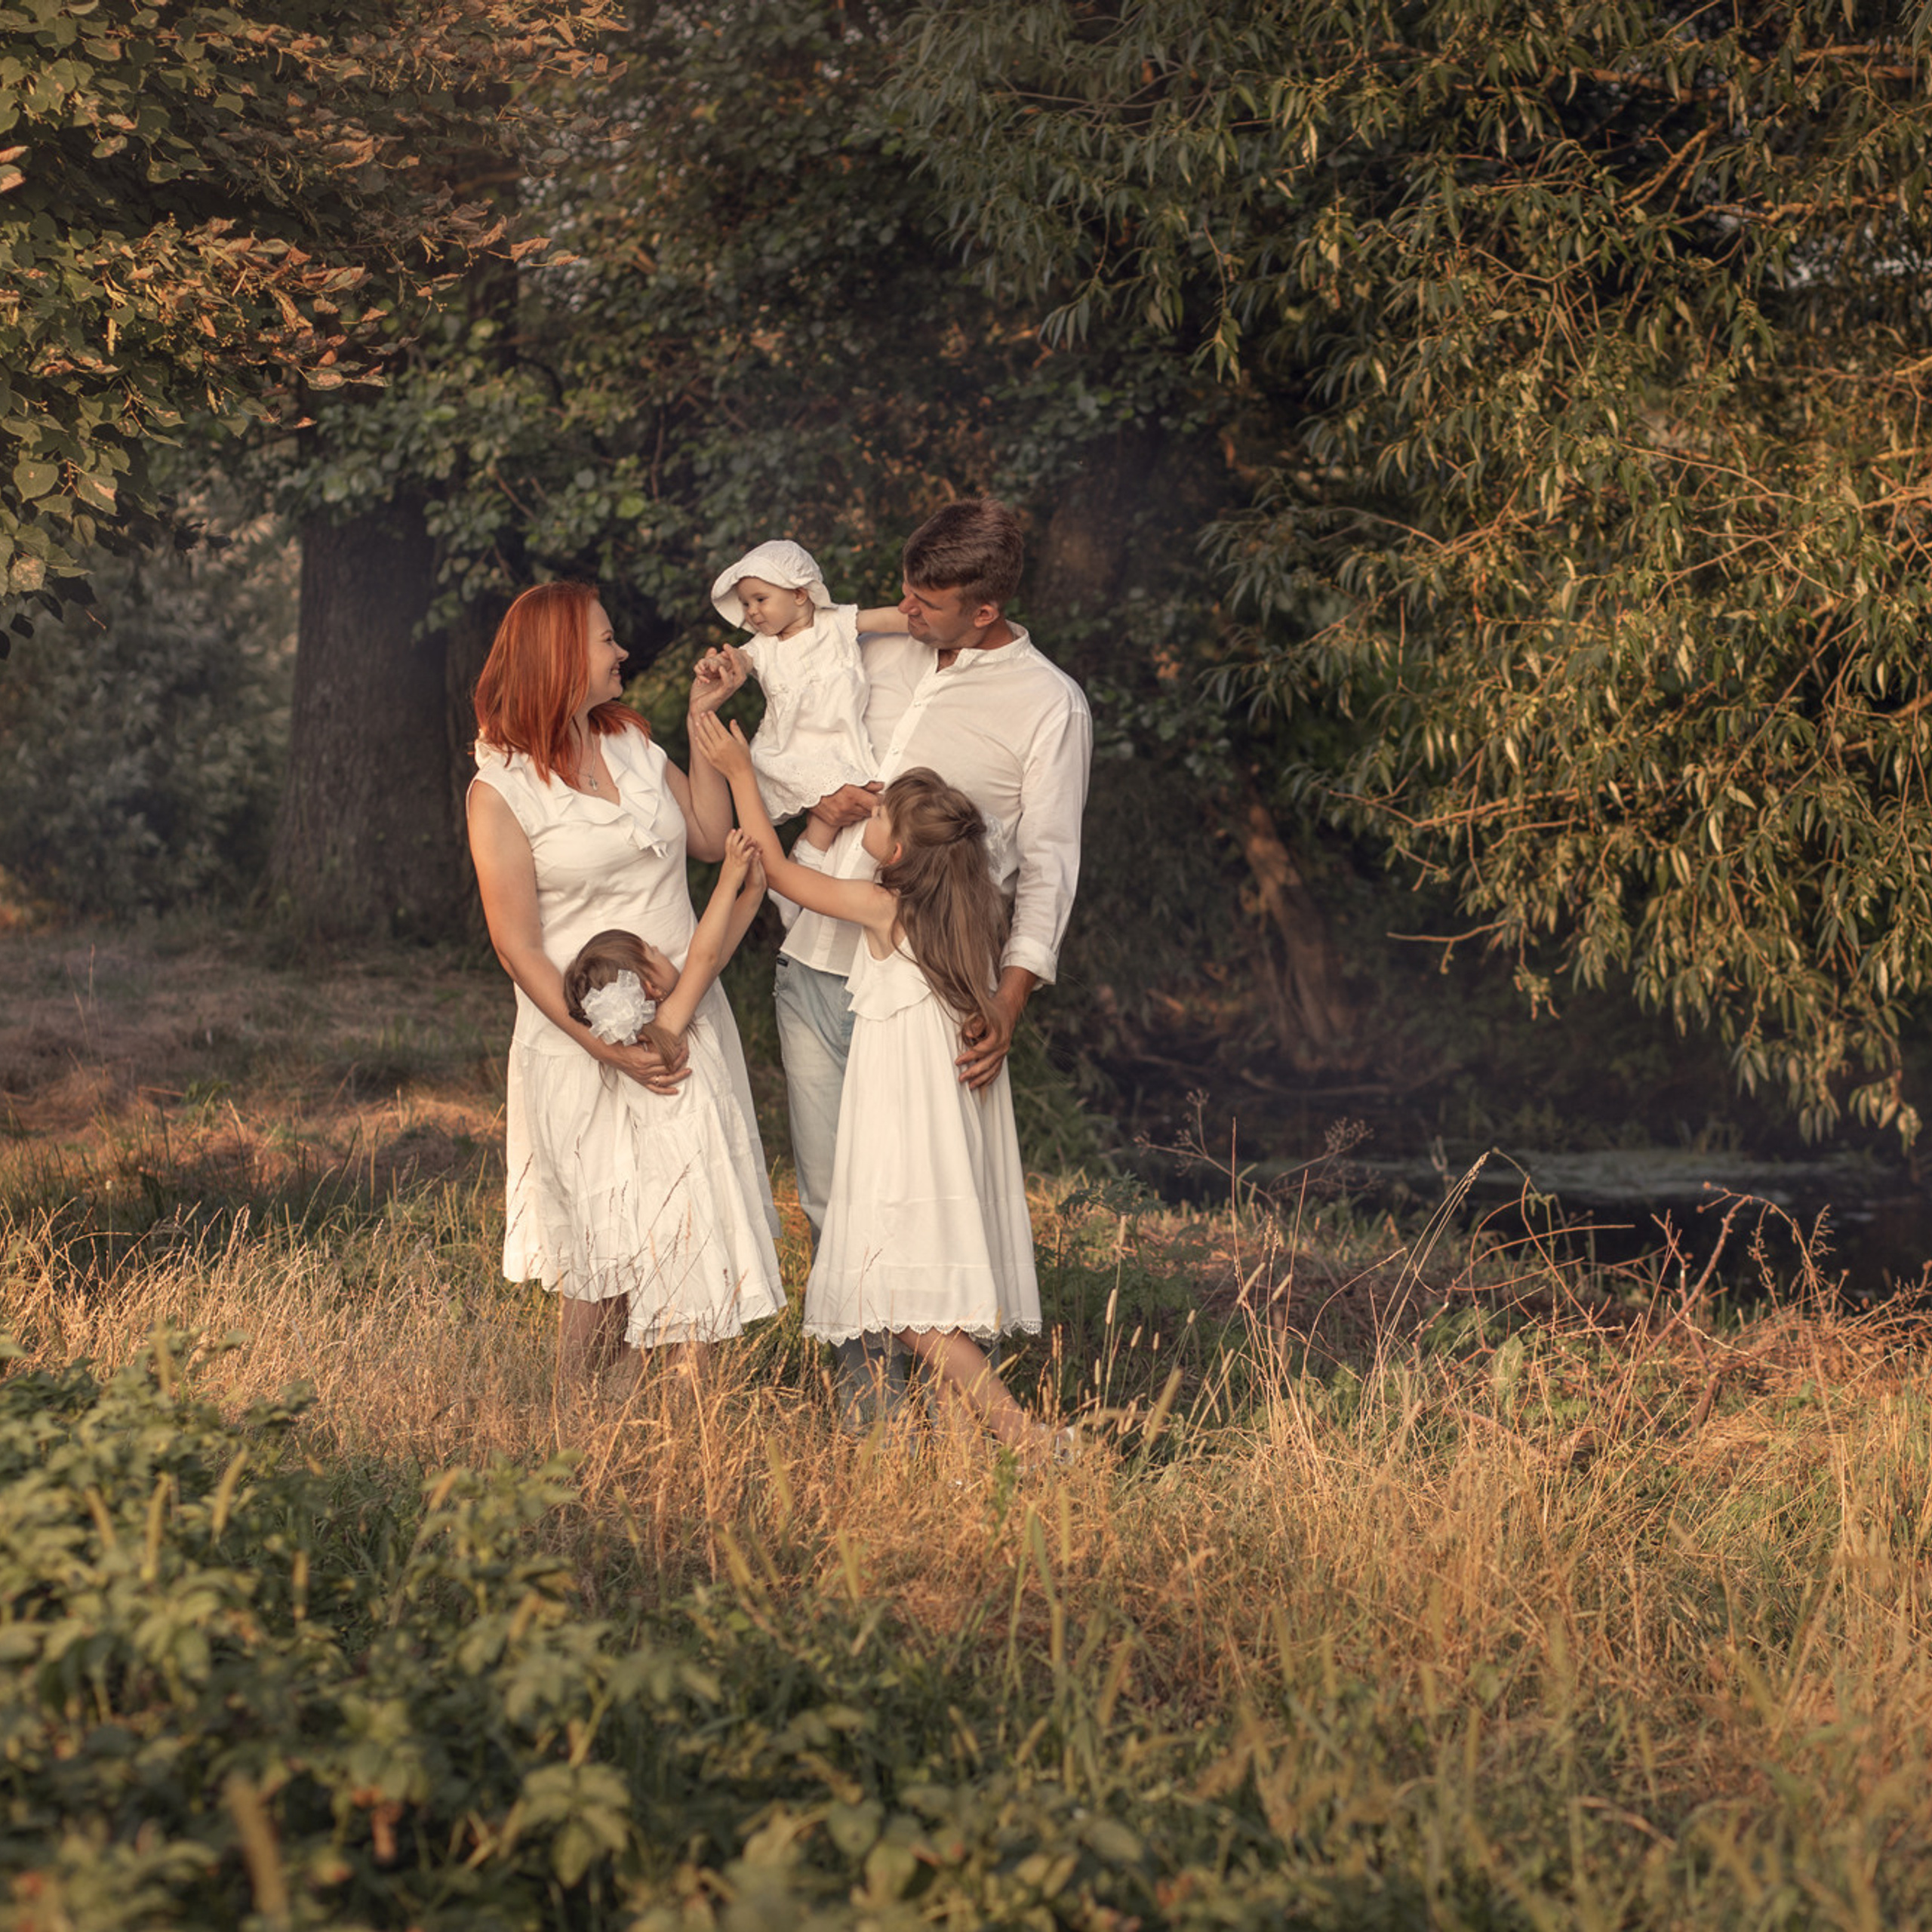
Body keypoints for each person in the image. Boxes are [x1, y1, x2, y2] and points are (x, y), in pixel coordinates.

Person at [697, 499, 1091, 1426]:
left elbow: (1048, 869)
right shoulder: (868, 650)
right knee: (837, 1207)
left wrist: (1007, 1002)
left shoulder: (1048, 705)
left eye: (924, 604)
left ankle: (965, 1435)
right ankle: (871, 1428)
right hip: (817, 965)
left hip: (927, 997)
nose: (902, 613)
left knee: (942, 1203)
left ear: (982, 611)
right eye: (905, 594)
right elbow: (796, 760)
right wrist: (810, 793)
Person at [694, 715, 1059, 1454]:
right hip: (946, 1124)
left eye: (883, 812)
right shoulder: (970, 913)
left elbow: (780, 870)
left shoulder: (886, 910)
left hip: (905, 1128)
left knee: (907, 1303)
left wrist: (739, 772)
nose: (875, 810)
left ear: (893, 853)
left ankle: (1027, 1436)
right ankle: (961, 1472)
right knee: (936, 1293)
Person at [466, 581, 783, 1381]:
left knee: (689, 1226)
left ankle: (677, 1442)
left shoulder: (633, 747)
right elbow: (517, 947)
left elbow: (712, 838)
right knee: (606, 1255)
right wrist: (602, 1047)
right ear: (560, 657)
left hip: (684, 1020)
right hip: (583, 1043)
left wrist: (698, 718)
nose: (621, 651)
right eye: (606, 639)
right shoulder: (499, 789)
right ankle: (578, 1435)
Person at [556, 828, 783, 1355]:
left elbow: (717, 951)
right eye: (653, 952)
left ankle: (672, 1415)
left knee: (688, 1319)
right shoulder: (671, 1027)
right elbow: (704, 958)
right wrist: (727, 876)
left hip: (670, 1198)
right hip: (689, 1195)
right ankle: (688, 1422)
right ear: (649, 986)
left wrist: (753, 890)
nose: (666, 951)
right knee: (698, 1319)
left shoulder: (649, 1038)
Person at [705, 538, 902, 822]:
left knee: (855, 794)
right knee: (821, 808)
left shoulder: (835, 623)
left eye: (760, 599)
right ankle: (810, 854)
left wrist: (921, 619)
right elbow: (738, 659)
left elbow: (883, 619)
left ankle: (816, 853)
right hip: (789, 749)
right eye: (745, 604)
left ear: (799, 594)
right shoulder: (763, 646)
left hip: (839, 735)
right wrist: (717, 663)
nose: (751, 611)